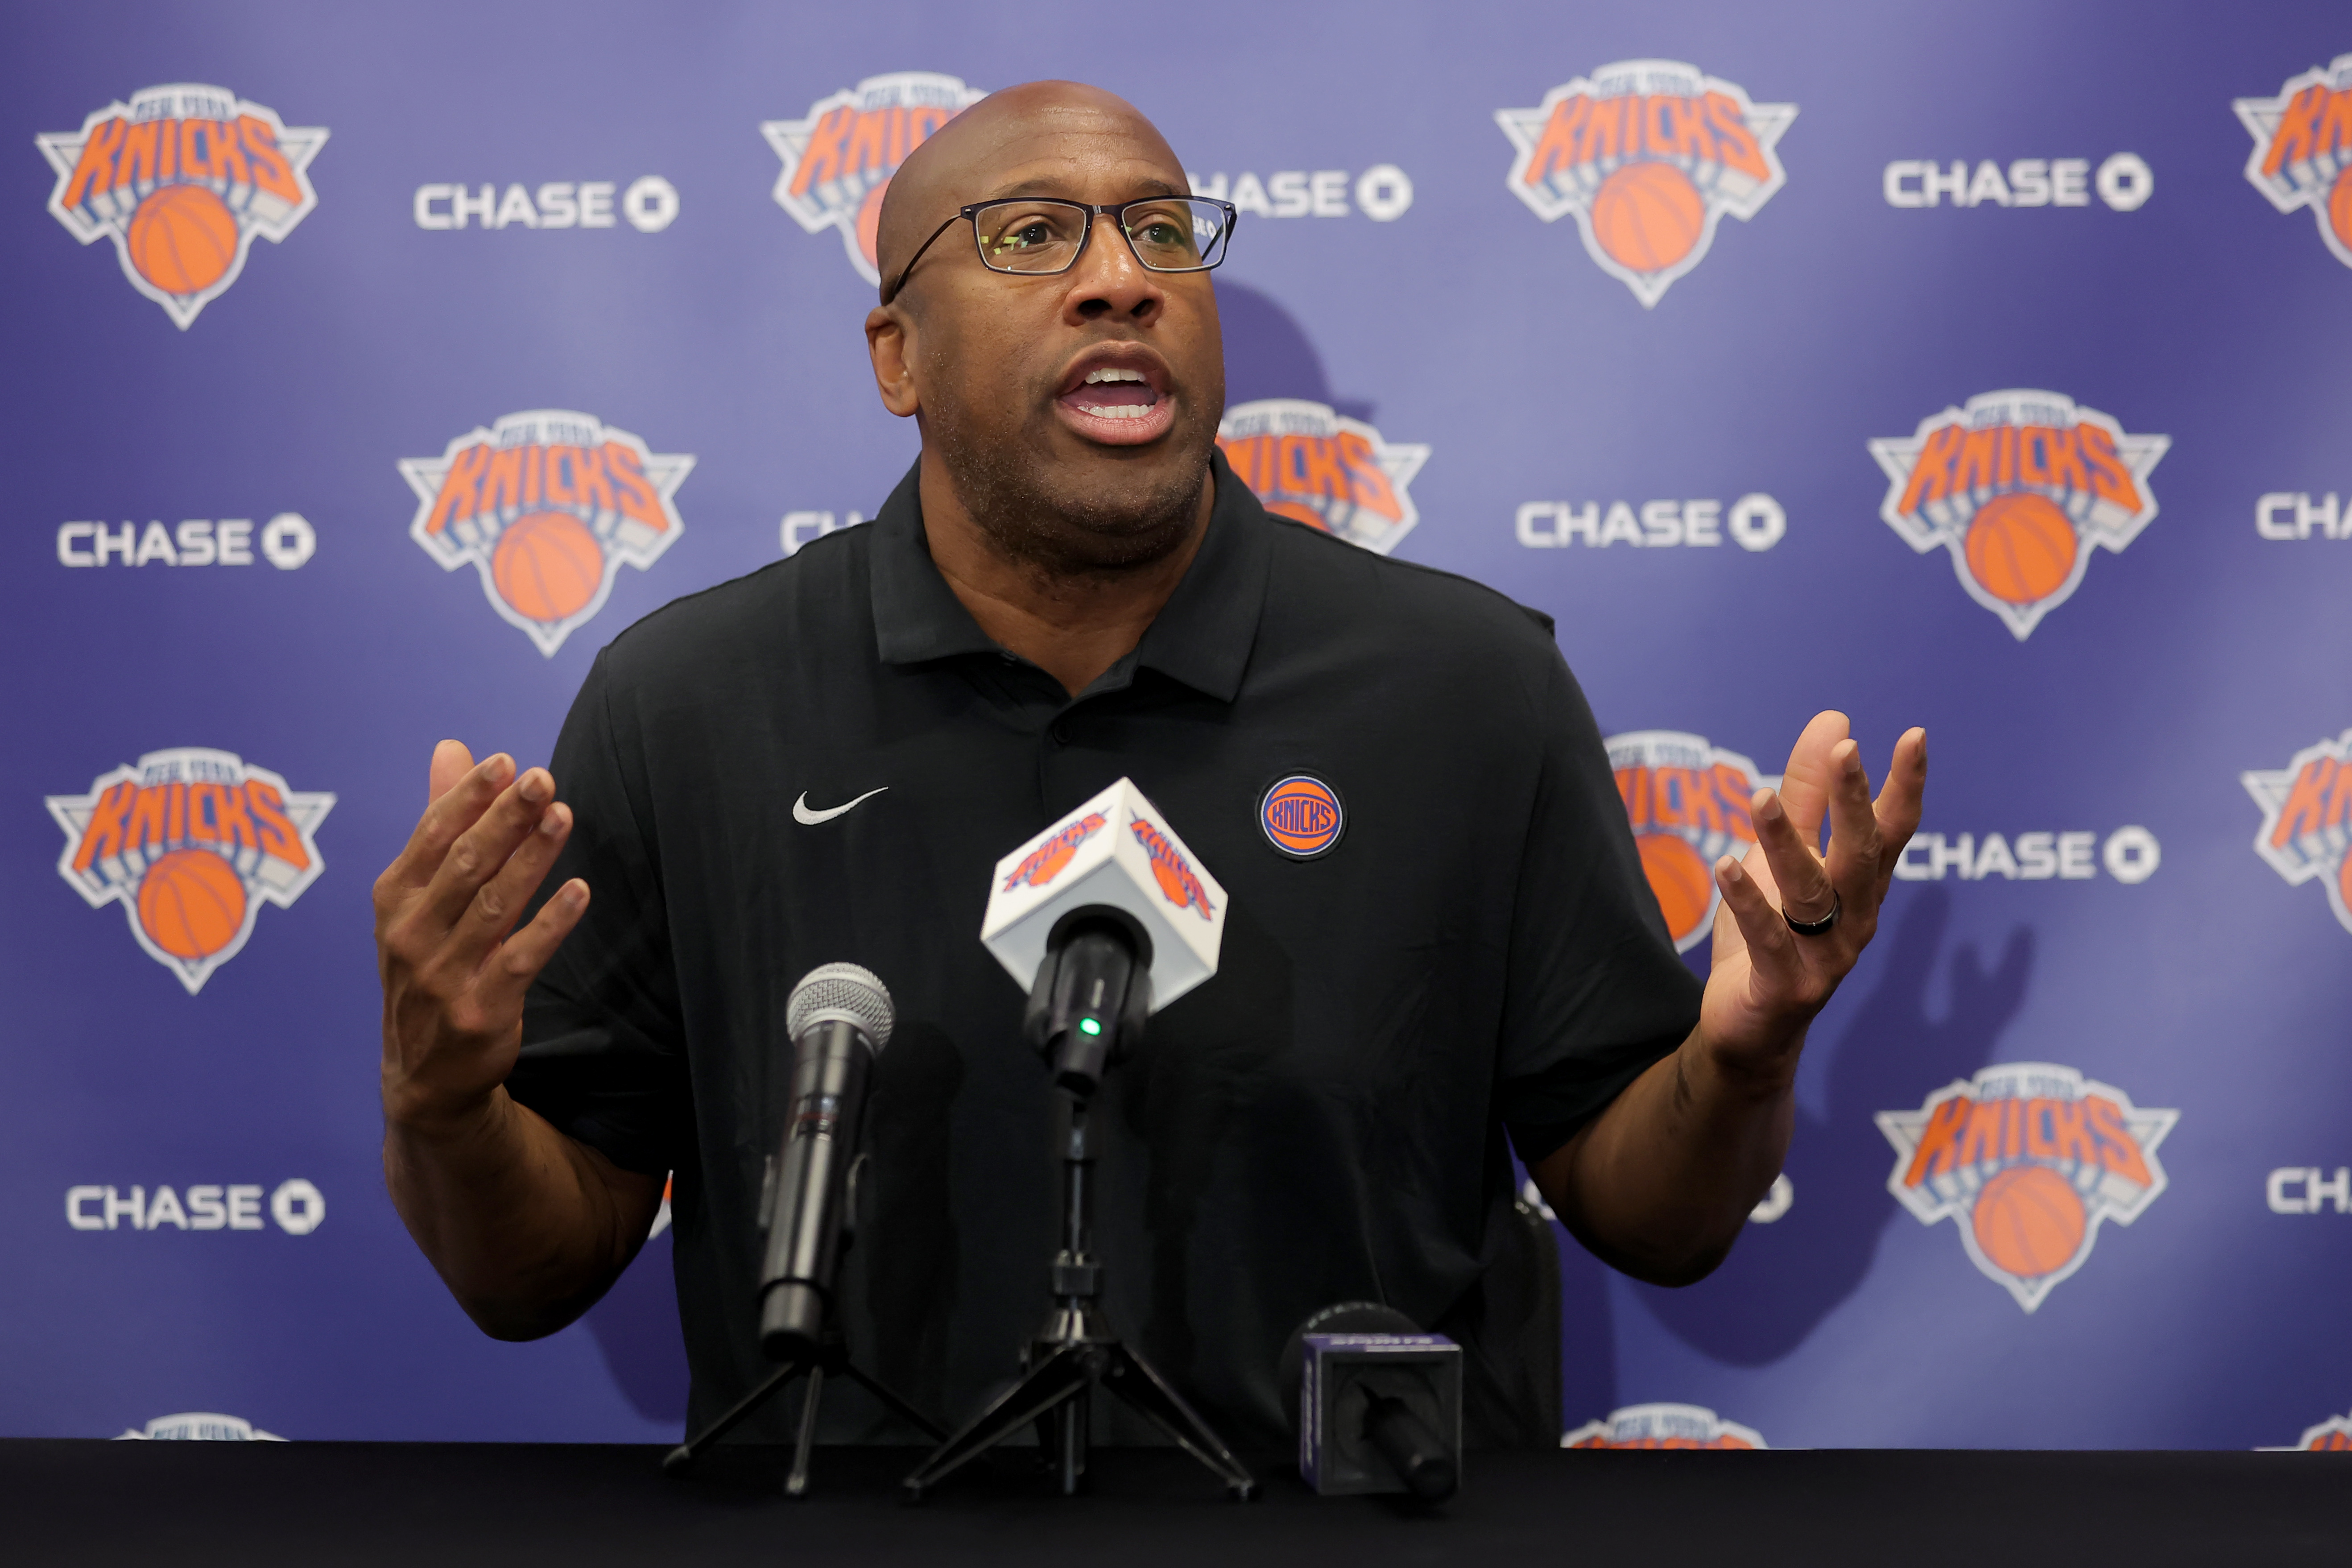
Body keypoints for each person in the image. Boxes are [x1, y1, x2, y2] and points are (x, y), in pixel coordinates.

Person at [374, 80, 1926, 1450]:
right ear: (896, 355)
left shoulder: (1467, 686)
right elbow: (532, 1273)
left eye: (1163, 232)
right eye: (1030, 235)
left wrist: (1743, 1056)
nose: (1122, 276)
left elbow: (1654, 1219)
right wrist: (443, 1104)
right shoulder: (687, 703)